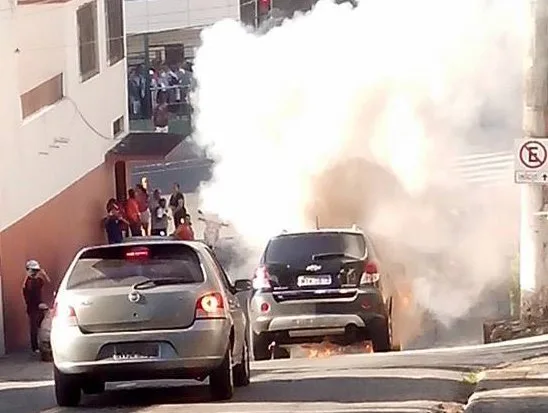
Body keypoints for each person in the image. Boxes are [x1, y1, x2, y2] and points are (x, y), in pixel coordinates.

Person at [22, 260, 51, 353]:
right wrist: (38, 304)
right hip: (33, 308)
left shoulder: (37, 281)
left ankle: (42, 345)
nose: (35, 273)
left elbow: (47, 282)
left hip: (39, 306)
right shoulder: (28, 282)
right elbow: (30, 297)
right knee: (34, 327)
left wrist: (43, 274)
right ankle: (35, 347)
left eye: (36, 271)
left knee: (42, 326)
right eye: (33, 270)